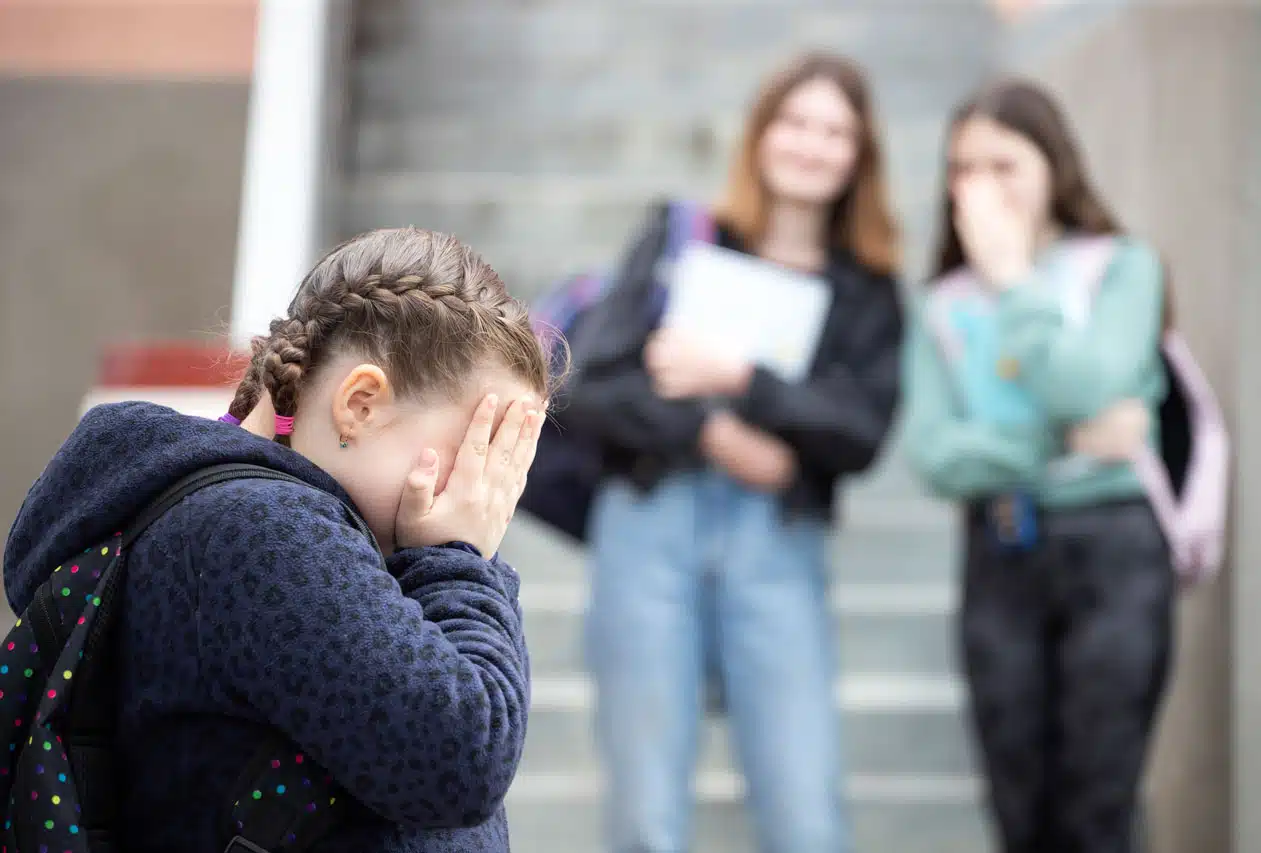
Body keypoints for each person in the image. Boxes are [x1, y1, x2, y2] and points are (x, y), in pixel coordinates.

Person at [3, 228, 549, 853]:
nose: (482, 499)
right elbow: (461, 758)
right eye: (474, 457)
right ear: (361, 405)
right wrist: (461, 559)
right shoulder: (261, 531)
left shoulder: (233, 519)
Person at [568, 52, 904, 853]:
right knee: (647, 816)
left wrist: (740, 380)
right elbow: (592, 388)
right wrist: (713, 432)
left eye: (835, 131)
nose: (811, 144)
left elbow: (861, 431)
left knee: (805, 812)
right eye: (795, 122)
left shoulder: (869, 287)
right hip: (650, 530)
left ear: (859, 155)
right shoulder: (683, 233)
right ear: (760, 134)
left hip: (776, 545)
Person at [901, 78, 1175, 853]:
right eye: (963, 169)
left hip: (1114, 546)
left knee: (1101, 798)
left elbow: (1092, 381)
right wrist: (1058, 440)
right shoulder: (942, 303)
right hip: (1001, 551)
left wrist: (1017, 279)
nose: (980, 188)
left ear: (1052, 162)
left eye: (1002, 165)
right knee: (1020, 802)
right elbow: (934, 453)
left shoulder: (1120, 266)